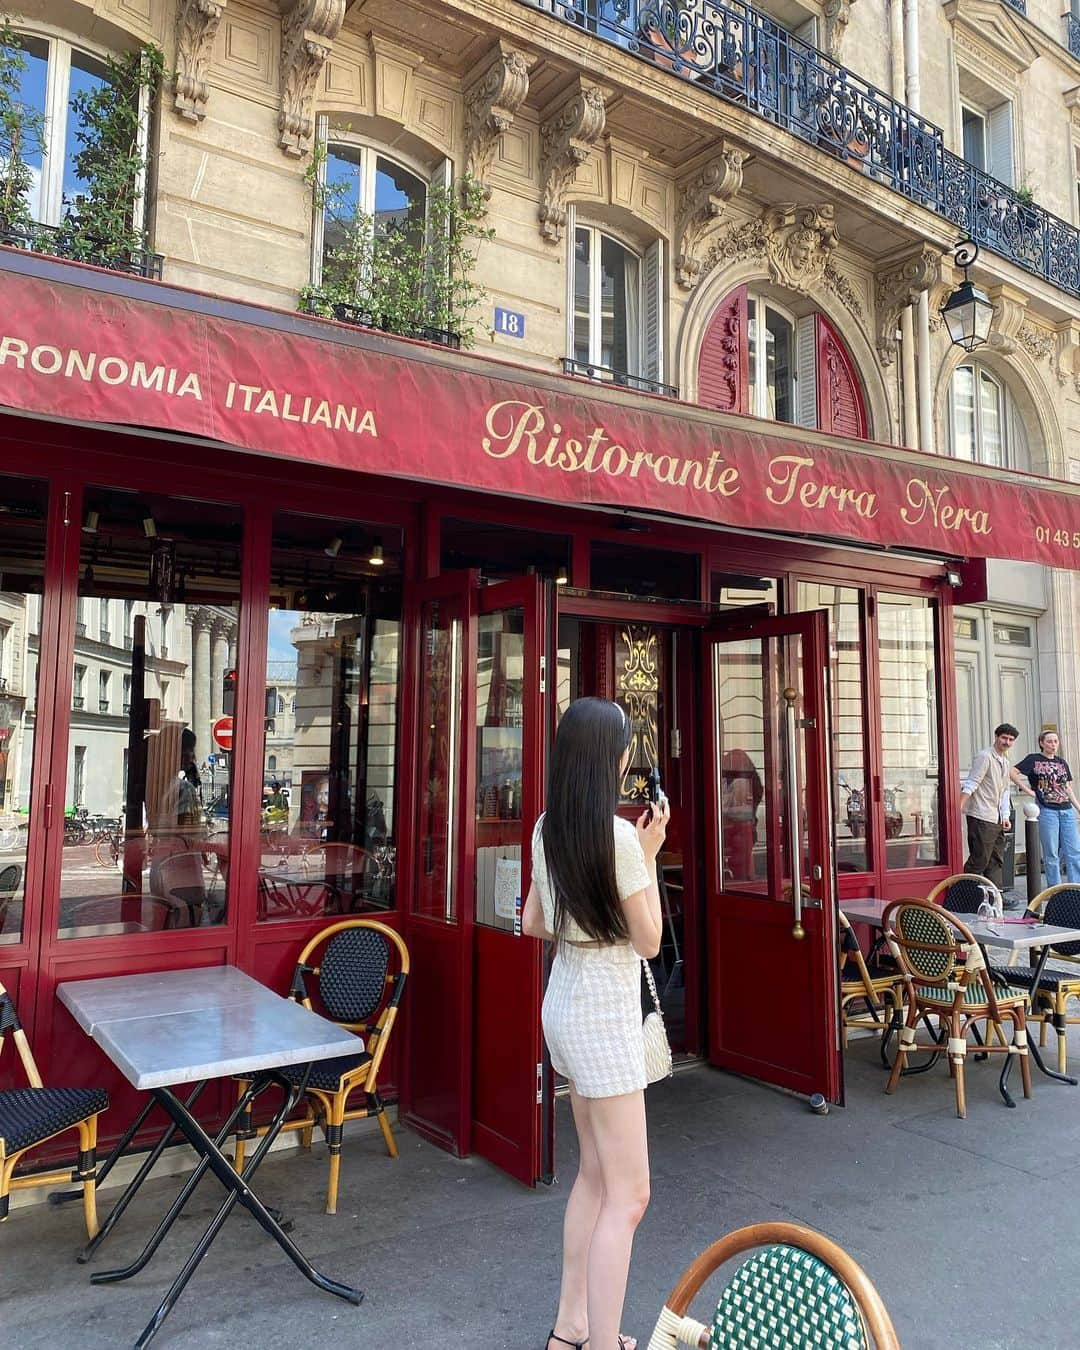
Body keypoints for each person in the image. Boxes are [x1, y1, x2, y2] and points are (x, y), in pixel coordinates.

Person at [521, 698, 669, 1350]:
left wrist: (583, 918)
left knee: (593, 1176)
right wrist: (650, 853)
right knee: (630, 1193)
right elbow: (650, 941)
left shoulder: (547, 826)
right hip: (605, 1018)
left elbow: (532, 922)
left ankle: (570, 1328)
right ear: (614, 759)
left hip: (564, 1007)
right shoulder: (618, 839)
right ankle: (602, 1344)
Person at [959, 723, 1019, 906]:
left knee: (996, 859)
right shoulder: (985, 756)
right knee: (979, 859)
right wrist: (959, 805)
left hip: (996, 817)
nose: (1006, 742)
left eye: (1010, 740)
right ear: (996, 737)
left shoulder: (1005, 761)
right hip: (981, 815)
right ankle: (965, 897)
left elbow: (1004, 791)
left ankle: (995, 898)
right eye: (1004, 738)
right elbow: (972, 782)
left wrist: (1005, 816)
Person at [1011, 729, 1080, 886]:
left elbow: (1066, 787)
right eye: (1049, 741)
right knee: (1051, 853)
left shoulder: (1062, 762)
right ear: (1041, 743)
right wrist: (1029, 791)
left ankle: (1075, 887)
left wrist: (1077, 806)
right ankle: (1054, 888)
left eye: (1056, 741)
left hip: (1067, 809)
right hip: (1047, 810)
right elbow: (1013, 772)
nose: (1053, 744)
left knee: (1074, 851)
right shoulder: (1034, 759)